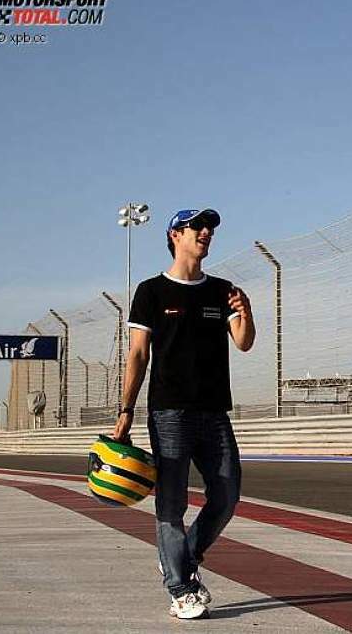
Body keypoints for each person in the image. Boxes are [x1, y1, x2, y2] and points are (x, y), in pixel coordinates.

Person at [111, 208, 255, 620]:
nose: (206, 233)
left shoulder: (222, 289)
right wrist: (126, 410)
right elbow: (138, 354)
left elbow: (244, 342)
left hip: (214, 411)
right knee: (171, 505)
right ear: (175, 235)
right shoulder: (152, 291)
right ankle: (180, 587)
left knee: (226, 495)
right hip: (169, 411)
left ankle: (182, 557)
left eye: (209, 228)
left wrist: (245, 310)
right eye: (197, 227)